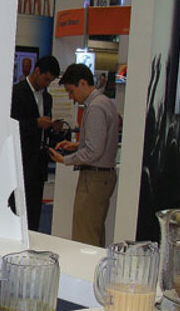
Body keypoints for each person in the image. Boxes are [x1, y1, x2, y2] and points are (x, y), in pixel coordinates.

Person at [49, 63, 119, 247]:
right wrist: (76, 145)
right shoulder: (105, 102)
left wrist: (65, 159)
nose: (71, 97)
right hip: (101, 177)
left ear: (82, 83)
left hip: (94, 178)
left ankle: (86, 267)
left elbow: (94, 151)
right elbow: (99, 143)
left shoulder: (95, 107)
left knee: (85, 237)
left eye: (71, 91)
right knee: (94, 233)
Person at [10, 55, 60, 231]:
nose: (47, 84)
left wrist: (53, 127)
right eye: (46, 79)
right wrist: (35, 124)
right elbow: (10, 125)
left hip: (39, 163)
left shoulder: (47, 98)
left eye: (50, 81)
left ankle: (32, 238)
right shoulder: (16, 93)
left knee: (34, 210)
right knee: (17, 207)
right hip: (20, 159)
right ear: (37, 71)